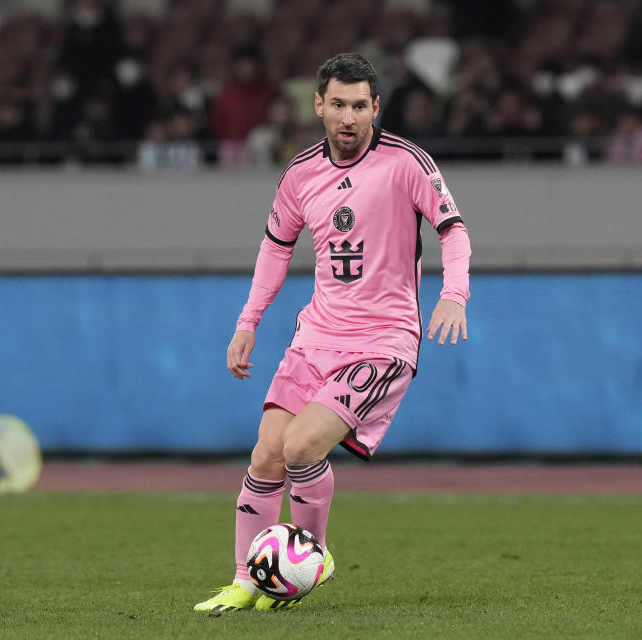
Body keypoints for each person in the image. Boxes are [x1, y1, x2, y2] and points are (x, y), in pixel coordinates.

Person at [193, 52, 471, 613]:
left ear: (375, 109)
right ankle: (246, 581)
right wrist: (247, 324)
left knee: (301, 447)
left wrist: (454, 295)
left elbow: (453, 230)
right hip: (315, 337)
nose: (349, 117)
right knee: (267, 454)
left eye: (360, 106)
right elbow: (275, 250)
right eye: (338, 105)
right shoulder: (299, 174)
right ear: (318, 105)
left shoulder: (406, 162)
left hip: (383, 340)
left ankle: (311, 556)